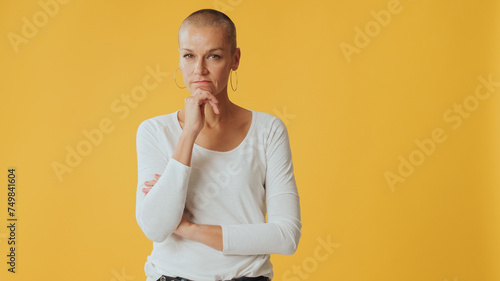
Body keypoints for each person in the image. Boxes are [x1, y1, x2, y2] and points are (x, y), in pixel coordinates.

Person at [135, 8, 301, 281]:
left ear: (234, 59)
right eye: (189, 56)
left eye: (214, 56)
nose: (199, 69)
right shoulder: (154, 131)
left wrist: (188, 228)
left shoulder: (268, 131)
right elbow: (155, 227)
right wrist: (188, 134)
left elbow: (286, 236)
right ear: (179, 59)